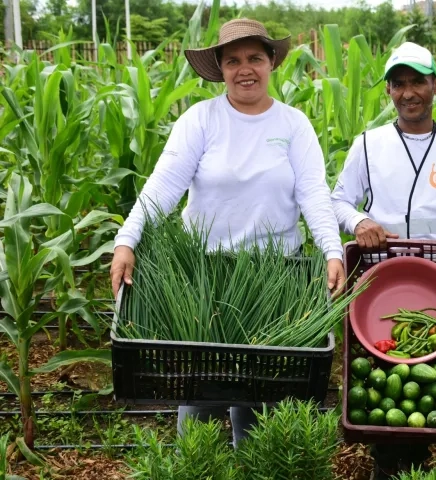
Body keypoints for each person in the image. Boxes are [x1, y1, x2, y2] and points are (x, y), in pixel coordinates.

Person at [109, 18, 346, 447]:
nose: (245, 69)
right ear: (220, 67)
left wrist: (333, 252)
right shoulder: (201, 120)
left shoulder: (293, 125)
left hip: (275, 279)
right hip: (206, 278)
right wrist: (127, 241)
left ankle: (252, 464)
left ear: (271, 61)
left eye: (255, 57)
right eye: (233, 60)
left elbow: (314, 194)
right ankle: (197, 466)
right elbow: (163, 186)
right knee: (200, 394)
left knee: (261, 400)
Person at [330, 42, 436, 479]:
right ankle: (386, 462)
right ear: (389, 92)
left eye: (417, 81)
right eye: (398, 84)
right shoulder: (368, 144)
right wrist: (360, 220)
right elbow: (339, 201)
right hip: (381, 274)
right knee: (379, 369)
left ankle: (419, 462)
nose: (408, 92)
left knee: (433, 371)